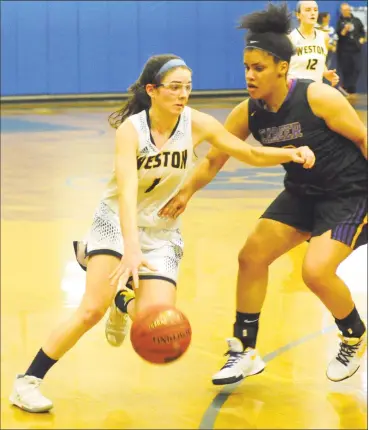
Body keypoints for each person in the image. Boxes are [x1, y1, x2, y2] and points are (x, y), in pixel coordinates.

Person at [9, 54, 314, 413]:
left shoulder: (196, 123)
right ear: (152, 91)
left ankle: (123, 301)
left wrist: (289, 153)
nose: (183, 94)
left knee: (157, 318)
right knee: (91, 308)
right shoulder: (131, 131)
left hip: (163, 229)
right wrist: (131, 250)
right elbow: (125, 193)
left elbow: (244, 151)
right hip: (116, 222)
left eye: (188, 87)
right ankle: (27, 382)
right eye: (174, 88)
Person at [158, 3, 368, 386]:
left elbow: (363, 139)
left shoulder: (317, 98)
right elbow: (214, 161)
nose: (249, 75)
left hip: (350, 193)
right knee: (251, 256)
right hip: (302, 193)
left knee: (316, 271)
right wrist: (186, 192)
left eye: (258, 68)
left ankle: (353, 334)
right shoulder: (249, 112)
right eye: (246, 67)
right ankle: (244, 350)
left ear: (282, 68)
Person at [288, 1, 339, 86]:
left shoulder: (324, 37)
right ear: (298, 15)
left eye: (315, 10)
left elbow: (320, 62)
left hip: (316, 90)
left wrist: (326, 73)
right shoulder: (290, 38)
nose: (312, 13)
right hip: (294, 91)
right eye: (308, 10)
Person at [336, 2, 366, 97]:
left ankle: (347, 87)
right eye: (344, 10)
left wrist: (362, 39)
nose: (346, 11)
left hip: (356, 49)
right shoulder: (340, 22)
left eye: (347, 10)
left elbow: (362, 32)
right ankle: (350, 91)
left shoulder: (356, 20)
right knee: (346, 70)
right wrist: (344, 30)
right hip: (344, 50)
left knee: (357, 68)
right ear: (341, 11)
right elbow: (339, 35)